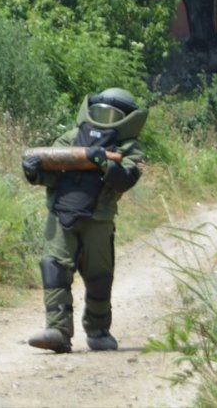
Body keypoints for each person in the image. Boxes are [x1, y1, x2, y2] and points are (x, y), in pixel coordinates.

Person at [21, 87, 148, 353]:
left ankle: (98, 329)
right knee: (55, 267)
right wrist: (34, 173)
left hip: (99, 219)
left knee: (99, 276)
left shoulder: (129, 148)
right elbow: (51, 172)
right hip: (60, 215)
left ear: (128, 118)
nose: (106, 118)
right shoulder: (70, 138)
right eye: (101, 111)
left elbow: (125, 180)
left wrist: (104, 162)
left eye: (113, 114)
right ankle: (57, 330)